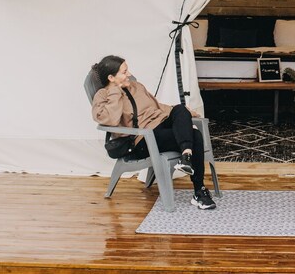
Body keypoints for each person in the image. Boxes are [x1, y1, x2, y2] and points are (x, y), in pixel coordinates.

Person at [91, 55, 216, 210]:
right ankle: (199, 191)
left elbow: (157, 107)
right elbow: (110, 119)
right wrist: (115, 91)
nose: (129, 74)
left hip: (160, 126)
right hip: (142, 139)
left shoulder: (136, 86)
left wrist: (185, 114)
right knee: (195, 135)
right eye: (124, 72)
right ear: (111, 77)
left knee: (180, 109)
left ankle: (186, 156)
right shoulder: (102, 95)